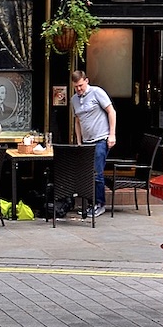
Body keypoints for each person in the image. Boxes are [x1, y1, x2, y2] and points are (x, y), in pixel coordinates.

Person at [70, 70, 117, 218]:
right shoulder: (74, 99)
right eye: (76, 87)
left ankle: (99, 204)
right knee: (87, 173)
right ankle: (90, 204)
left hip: (101, 139)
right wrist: (79, 141)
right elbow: (77, 121)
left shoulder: (97, 92)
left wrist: (112, 135)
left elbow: (111, 112)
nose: (79, 89)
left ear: (87, 81)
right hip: (86, 141)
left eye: (81, 85)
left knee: (97, 173)